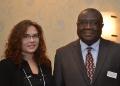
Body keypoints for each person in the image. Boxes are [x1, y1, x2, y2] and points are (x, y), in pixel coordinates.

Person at [53, 8, 120, 86]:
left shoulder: (117, 51)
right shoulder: (62, 54)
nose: (88, 27)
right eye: (83, 23)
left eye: (94, 23)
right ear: (77, 25)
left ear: (101, 26)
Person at [0, 20, 53, 86]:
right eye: (26, 36)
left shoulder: (46, 63)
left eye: (35, 36)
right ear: (17, 40)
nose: (32, 40)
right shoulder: (6, 66)